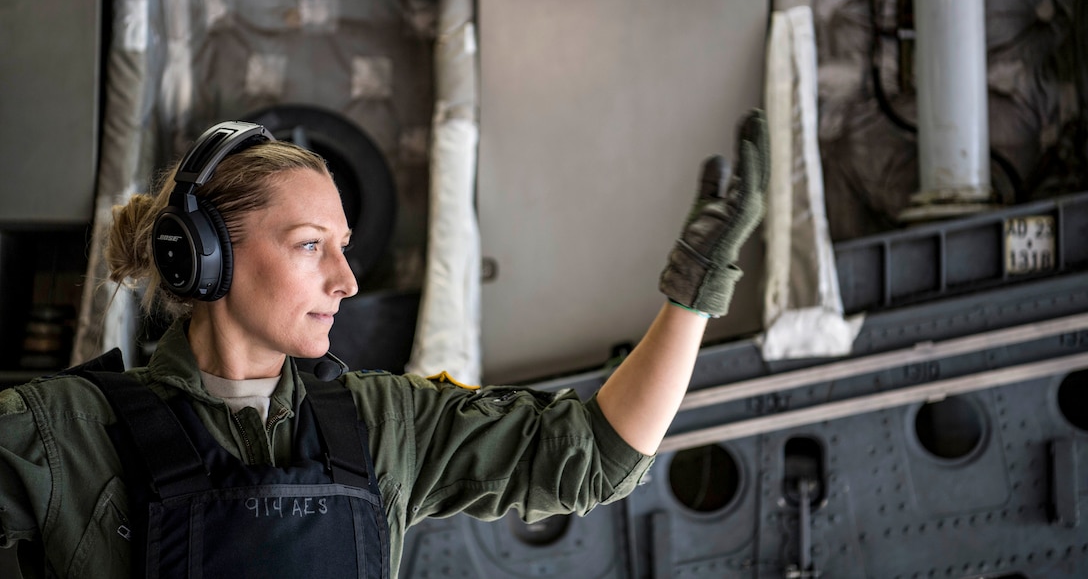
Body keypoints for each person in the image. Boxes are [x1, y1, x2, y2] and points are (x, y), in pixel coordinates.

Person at [0, 110, 769, 578]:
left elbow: (597, 457)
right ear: (205, 255)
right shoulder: (57, 432)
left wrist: (693, 293)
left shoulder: (381, 423)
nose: (346, 280)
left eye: (344, 246)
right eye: (310, 245)